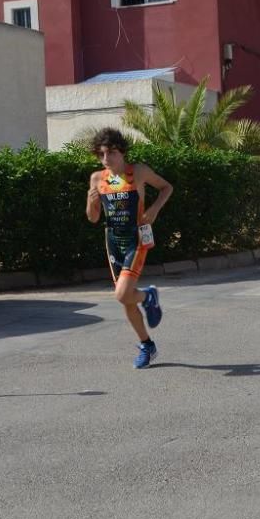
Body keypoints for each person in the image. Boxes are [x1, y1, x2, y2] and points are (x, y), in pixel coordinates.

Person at [85, 128, 174, 369]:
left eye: (111, 153)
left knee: (122, 294)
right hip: (113, 239)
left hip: (136, 237)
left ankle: (148, 297)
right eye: (101, 155)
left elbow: (167, 188)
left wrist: (154, 210)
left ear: (122, 152)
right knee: (126, 300)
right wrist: (92, 201)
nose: (106, 159)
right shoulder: (97, 179)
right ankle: (147, 344)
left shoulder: (139, 171)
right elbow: (93, 218)